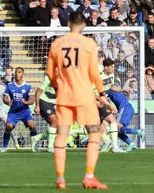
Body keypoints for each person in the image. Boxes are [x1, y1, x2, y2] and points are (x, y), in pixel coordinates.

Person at [46, 11, 108, 189]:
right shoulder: (89, 43)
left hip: (64, 96)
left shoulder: (57, 43)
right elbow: (94, 73)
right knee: (94, 132)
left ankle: (60, 178)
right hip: (85, 96)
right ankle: (89, 176)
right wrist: (102, 93)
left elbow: (50, 74)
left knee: (62, 135)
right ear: (84, 25)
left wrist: (58, 86)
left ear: (68, 24)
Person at [101, 58, 145, 152]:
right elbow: (110, 87)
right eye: (112, 67)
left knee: (116, 126)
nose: (113, 68)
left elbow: (112, 87)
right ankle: (131, 144)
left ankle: (138, 132)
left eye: (114, 67)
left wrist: (121, 90)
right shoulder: (100, 77)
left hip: (125, 107)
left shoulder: (110, 81)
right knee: (116, 129)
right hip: (125, 107)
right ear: (106, 67)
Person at [1, 67, 37, 153]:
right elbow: (4, 98)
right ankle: (4, 147)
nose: (17, 74)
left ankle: (35, 147)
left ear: (22, 74)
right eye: (16, 72)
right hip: (14, 112)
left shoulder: (27, 86)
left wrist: (26, 102)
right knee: (8, 127)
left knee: (32, 126)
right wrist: (8, 102)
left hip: (25, 111)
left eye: (19, 72)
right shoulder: (10, 85)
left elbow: (32, 100)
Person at [31, 75, 58, 153]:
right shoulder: (49, 77)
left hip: (53, 104)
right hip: (44, 101)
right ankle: (50, 147)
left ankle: (36, 138)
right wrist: (37, 106)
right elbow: (38, 91)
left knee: (57, 126)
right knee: (55, 122)